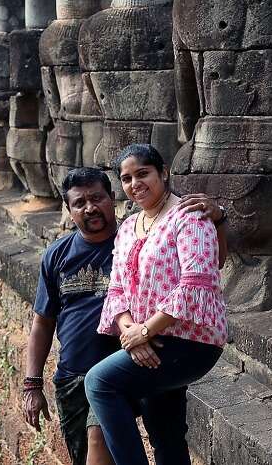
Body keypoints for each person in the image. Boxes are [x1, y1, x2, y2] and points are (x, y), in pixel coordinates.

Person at [23, 166, 226, 465]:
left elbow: (209, 265)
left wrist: (219, 219)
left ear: (112, 198)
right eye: (80, 203)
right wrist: (32, 383)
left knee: (109, 438)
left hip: (136, 360)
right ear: (69, 210)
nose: (90, 207)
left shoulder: (140, 239)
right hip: (73, 372)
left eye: (97, 198)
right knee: (150, 443)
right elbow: (43, 321)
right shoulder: (57, 255)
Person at [84, 144, 228, 465]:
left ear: (163, 173)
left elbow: (196, 283)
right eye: (126, 178)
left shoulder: (188, 216)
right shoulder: (127, 229)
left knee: (100, 382)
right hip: (149, 339)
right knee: (164, 430)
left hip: (190, 341)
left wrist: (145, 331)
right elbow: (117, 289)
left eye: (143, 173)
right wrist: (132, 334)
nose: (135, 183)